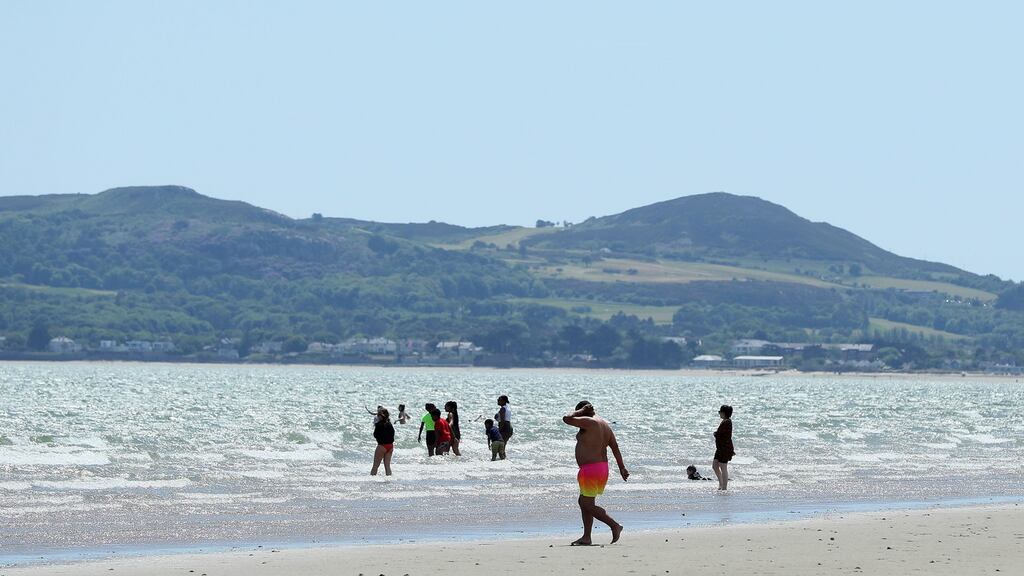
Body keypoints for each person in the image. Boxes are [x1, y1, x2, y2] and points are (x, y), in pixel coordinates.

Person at [562, 400, 628, 546]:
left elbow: (566, 418)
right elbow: (615, 447)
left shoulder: (589, 421)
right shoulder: (605, 425)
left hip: (591, 469)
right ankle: (586, 537)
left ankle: (614, 525)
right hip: (601, 468)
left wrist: (579, 412)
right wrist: (622, 468)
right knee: (584, 502)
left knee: (587, 504)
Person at [712, 404, 735, 491]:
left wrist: (716, 434)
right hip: (720, 448)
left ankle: (724, 488)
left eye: (720, 412)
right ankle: (721, 483)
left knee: (723, 467)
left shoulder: (728, 422)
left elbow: (723, 435)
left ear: (724, 413)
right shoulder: (725, 421)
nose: (719, 414)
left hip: (725, 448)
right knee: (715, 465)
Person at [371, 408, 395, 476]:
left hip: (382, 446)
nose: (377, 417)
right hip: (390, 446)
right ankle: (389, 482)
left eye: (378, 415)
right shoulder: (390, 424)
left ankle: (371, 483)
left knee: (375, 466)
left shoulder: (379, 425)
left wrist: (376, 424)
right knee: (387, 467)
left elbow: (375, 435)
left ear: (381, 416)